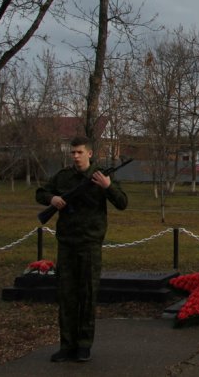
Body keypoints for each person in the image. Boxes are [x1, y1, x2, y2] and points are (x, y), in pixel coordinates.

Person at [36, 136, 128, 363]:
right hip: (67, 243)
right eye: (73, 152)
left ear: (90, 154)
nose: (75, 156)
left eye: (79, 152)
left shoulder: (101, 176)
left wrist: (107, 187)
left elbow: (122, 202)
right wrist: (53, 198)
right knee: (66, 296)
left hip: (89, 243)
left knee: (87, 295)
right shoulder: (63, 176)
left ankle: (84, 345)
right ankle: (67, 345)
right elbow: (40, 193)